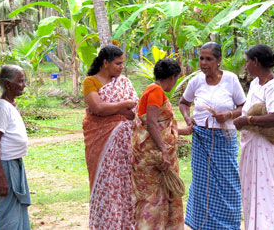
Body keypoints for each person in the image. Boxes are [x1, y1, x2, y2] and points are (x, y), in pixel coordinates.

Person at [179, 42, 246, 230]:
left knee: (229, 184)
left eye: (209, 59)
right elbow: (184, 103)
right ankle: (202, 225)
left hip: (225, 139)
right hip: (201, 139)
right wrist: (187, 118)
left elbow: (243, 107)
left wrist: (229, 115)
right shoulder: (197, 81)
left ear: (218, 61)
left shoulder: (230, 80)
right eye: (201, 58)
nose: (204, 63)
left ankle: (228, 225)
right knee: (201, 184)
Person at [233, 44, 274, 230]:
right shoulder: (256, 84)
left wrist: (248, 120)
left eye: (248, 61)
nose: (246, 66)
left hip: (267, 151)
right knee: (252, 195)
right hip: (252, 149)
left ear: (256, 62)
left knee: (268, 195)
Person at [132, 58, 192, 230]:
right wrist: (164, 152)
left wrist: (181, 131)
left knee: (159, 198)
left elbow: (159, 126)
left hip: (151, 153)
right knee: (152, 200)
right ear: (172, 77)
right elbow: (151, 123)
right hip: (154, 157)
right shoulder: (156, 92)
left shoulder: (151, 91)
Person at [82, 45, 138, 229]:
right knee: (105, 187)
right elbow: (97, 108)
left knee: (126, 186)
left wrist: (121, 109)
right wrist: (123, 105)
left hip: (124, 148)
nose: (122, 67)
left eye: (123, 63)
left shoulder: (124, 82)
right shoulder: (90, 82)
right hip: (101, 144)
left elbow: (134, 111)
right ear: (105, 63)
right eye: (118, 63)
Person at [0, 65, 31, 230]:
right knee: (8, 215)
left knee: (17, 211)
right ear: (8, 85)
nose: (24, 85)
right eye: (20, 81)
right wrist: (1, 177)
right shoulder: (1, 107)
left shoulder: (10, 105)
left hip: (14, 163)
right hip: (6, 165)